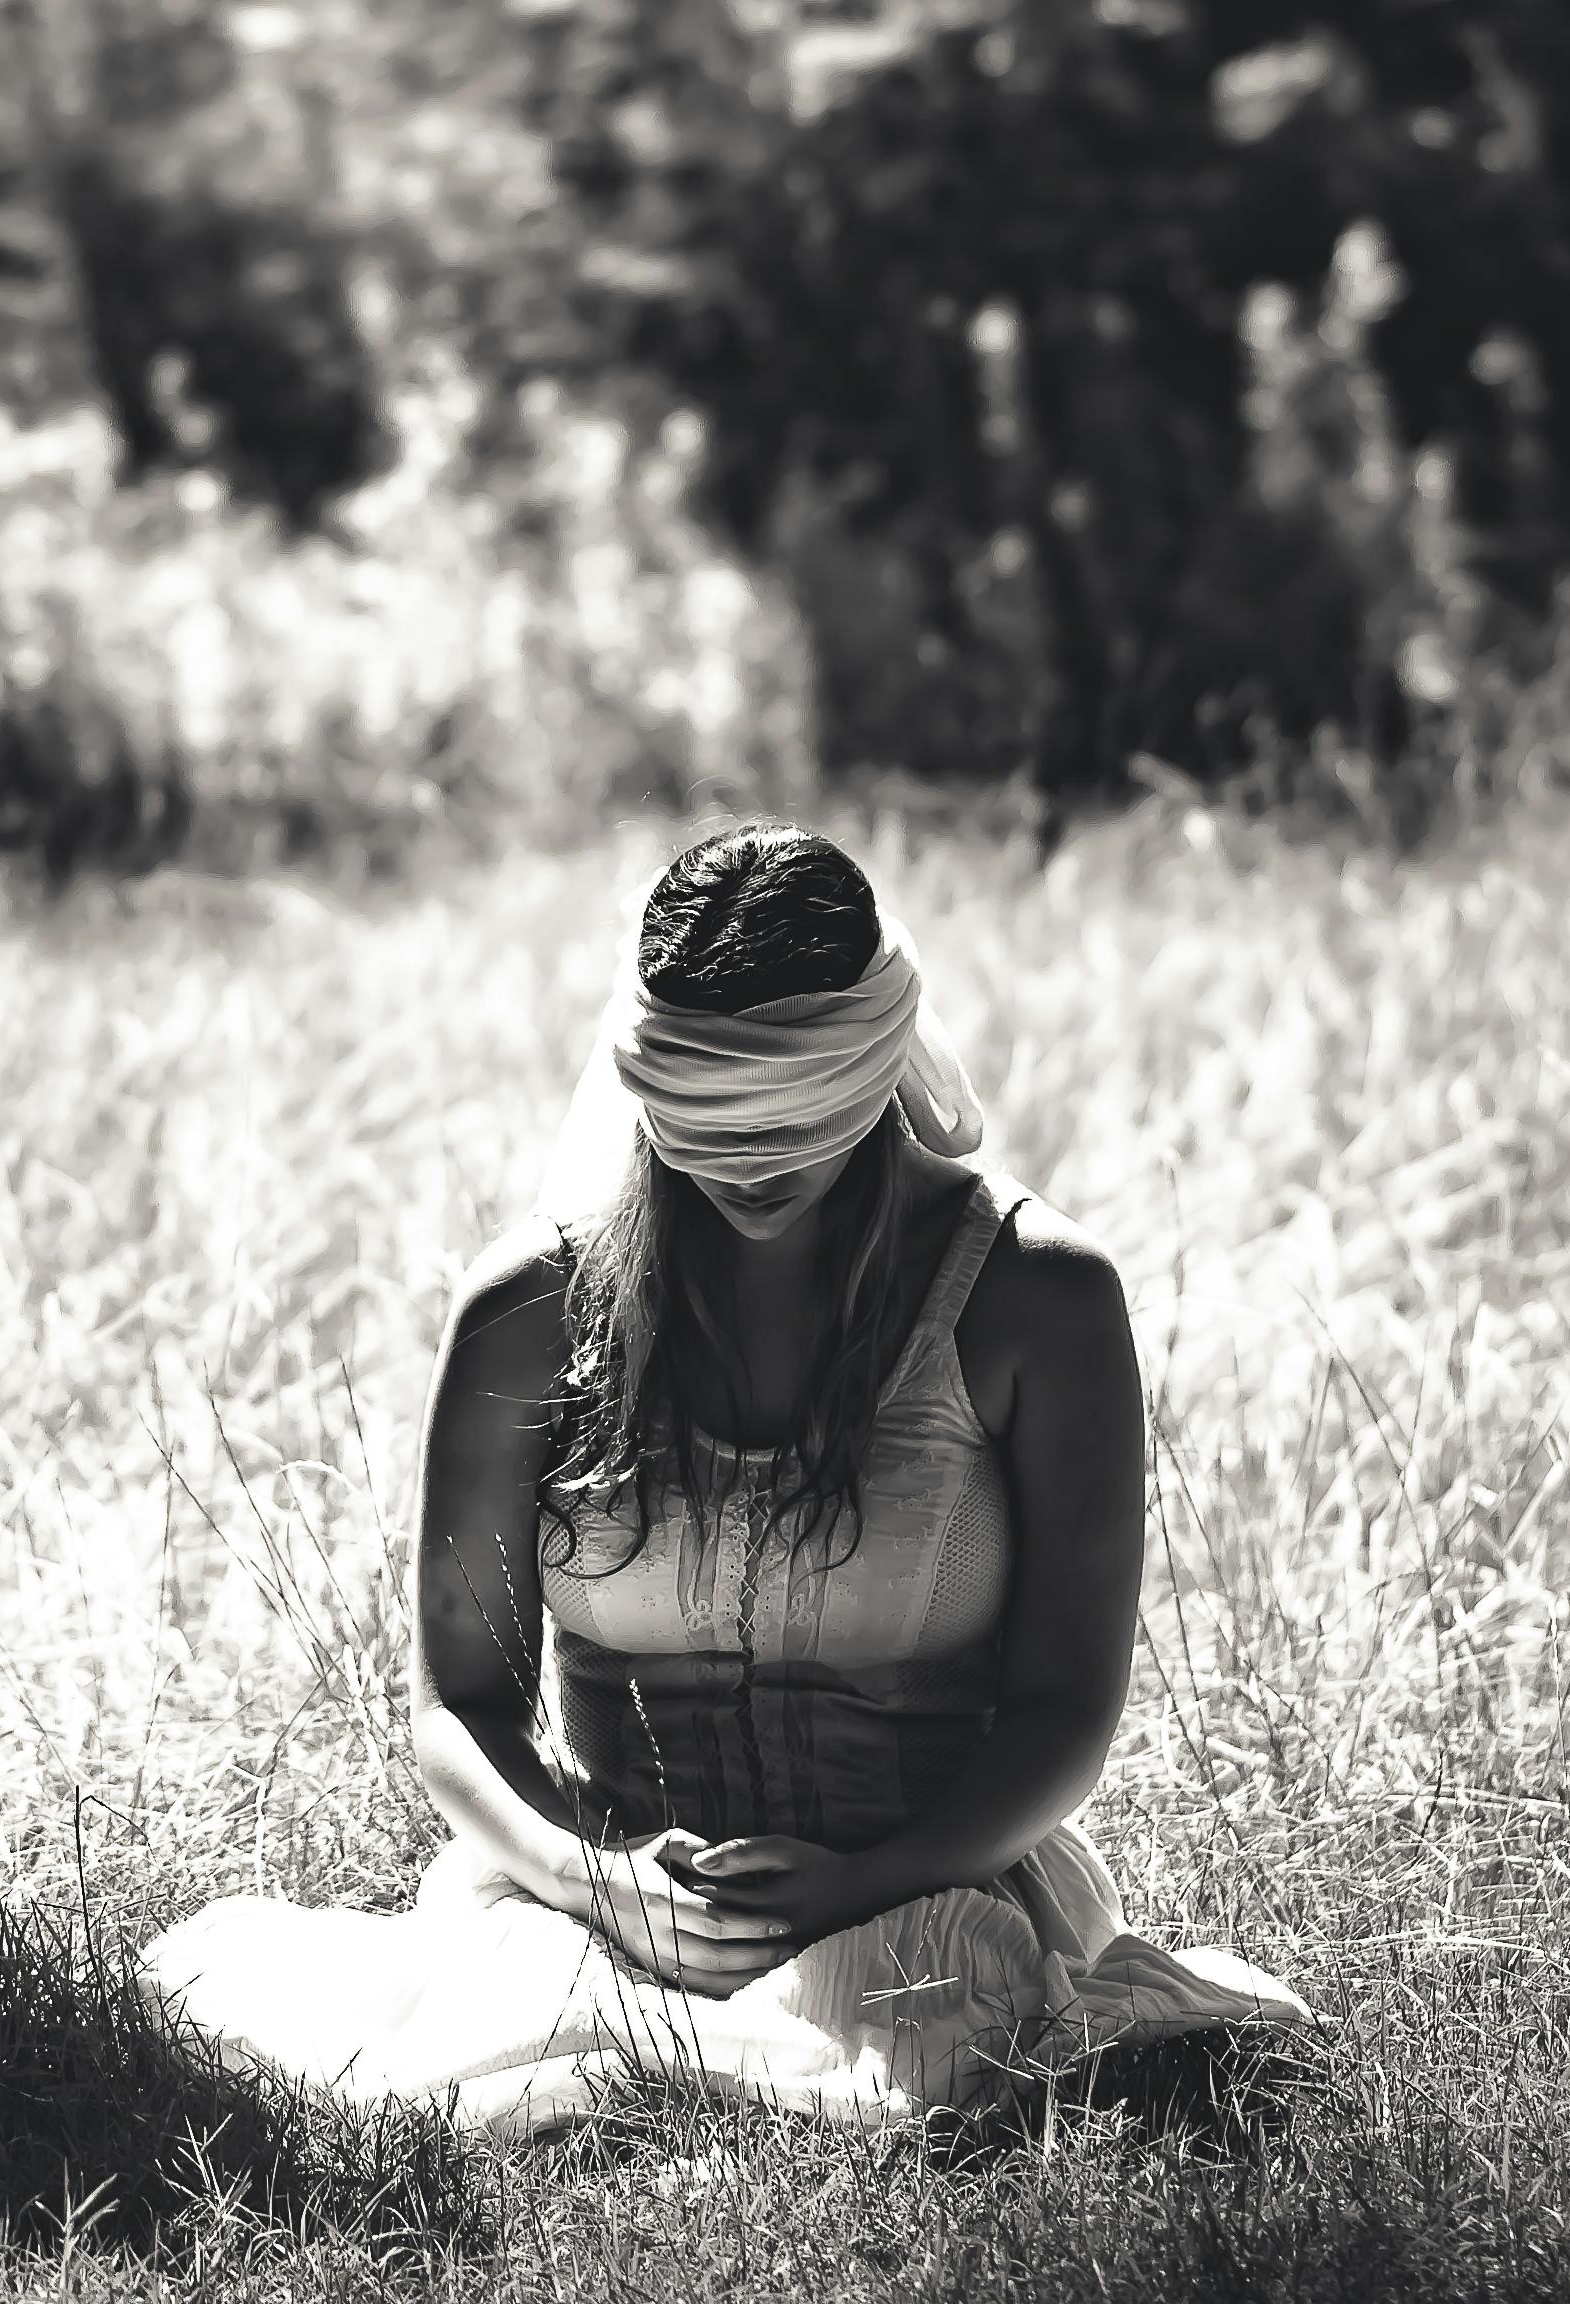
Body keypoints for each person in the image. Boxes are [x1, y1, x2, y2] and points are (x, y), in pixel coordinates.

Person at [147, 823, 1304, 2137]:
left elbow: (1063, 1712)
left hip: (935, 1886)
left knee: (899, 2047)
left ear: (874, 1069)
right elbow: (458, 1705)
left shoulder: (1040, 1299)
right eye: (710, 1124)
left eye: (795, 1122)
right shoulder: (528, 1308)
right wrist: (596, 1879)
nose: (753, 1167)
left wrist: (857, 1884)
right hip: (595, 1895)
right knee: (528, 2055)